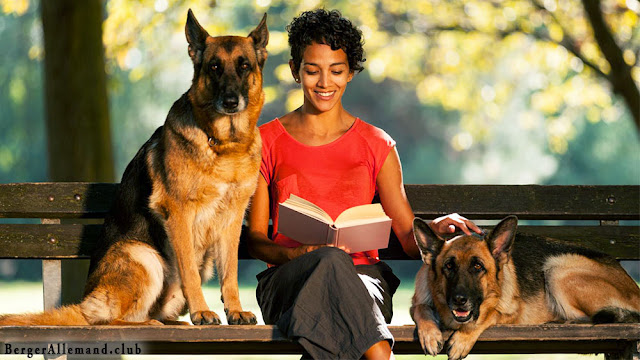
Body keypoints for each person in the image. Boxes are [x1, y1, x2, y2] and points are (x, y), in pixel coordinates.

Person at [246, 9, 481, 360]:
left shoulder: (376, 144)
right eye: (312, 70)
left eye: (337, 71)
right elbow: (256, 240)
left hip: (364, 282)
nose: (325, 83)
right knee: (328, 261)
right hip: (288, 283)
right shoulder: (265, 142)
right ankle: (377, 353)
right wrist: (298, 254)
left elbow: (405, 237)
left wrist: (435, 230)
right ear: (295, 70)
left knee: (338, 274)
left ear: (351, 72)